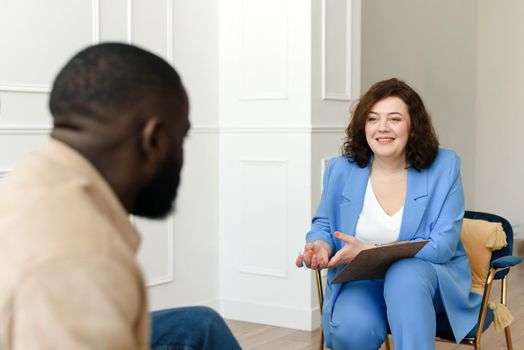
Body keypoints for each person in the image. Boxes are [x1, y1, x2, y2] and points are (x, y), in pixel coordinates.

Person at [0, 43, 241, 350]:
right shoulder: (81, 262)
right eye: (182, 138)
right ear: (154, 140)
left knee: (200, 325)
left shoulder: (32, 179)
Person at [296, 78, 482, 350]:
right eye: (373, 119)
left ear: (413, 127)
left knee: (404, 275)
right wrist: (321, 246)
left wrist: (371, 249)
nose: (382, 127)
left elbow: (442, 246)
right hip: (364, 278)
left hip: (425, 280)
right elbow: (324, 223)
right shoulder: (341, 169)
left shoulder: (445, 166)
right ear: (364, 126)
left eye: (394, 119)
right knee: (350, 329)